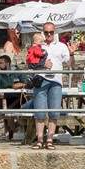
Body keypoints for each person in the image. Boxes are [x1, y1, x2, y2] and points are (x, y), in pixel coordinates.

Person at [27, 21, 70, 150]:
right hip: (41, 80)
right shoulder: (37, 45)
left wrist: (72, 52)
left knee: (54, 112)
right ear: (43, 32)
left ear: (54, 32)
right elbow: (29, 64)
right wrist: (42, 65)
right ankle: (39, 140)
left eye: (51, 32)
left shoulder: (62, 46)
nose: (49, 35)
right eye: (46, 32)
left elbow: (69, 64)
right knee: (40, 113)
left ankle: (50, 140)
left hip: (56, 81)